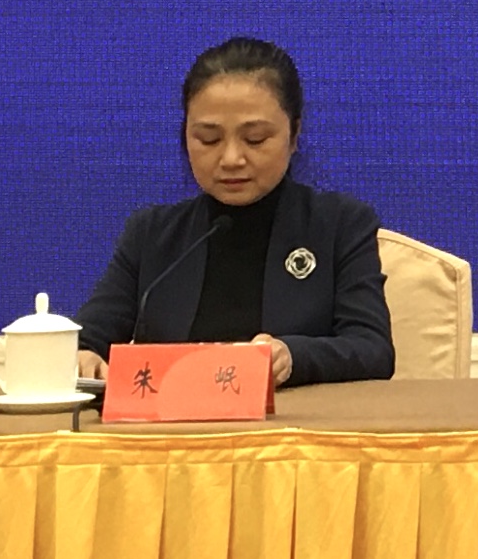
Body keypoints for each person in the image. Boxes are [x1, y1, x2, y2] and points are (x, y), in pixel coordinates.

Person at [73, 37, 395, 385]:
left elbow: (372, 350)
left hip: (294, 419)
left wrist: (293, 356)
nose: (231, 159)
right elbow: (88, 337)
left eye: (255, 138)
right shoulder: (151, 234)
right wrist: (82, 356)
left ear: (294, 135)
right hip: (172, 420)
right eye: (209, 139)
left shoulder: (340, 224)